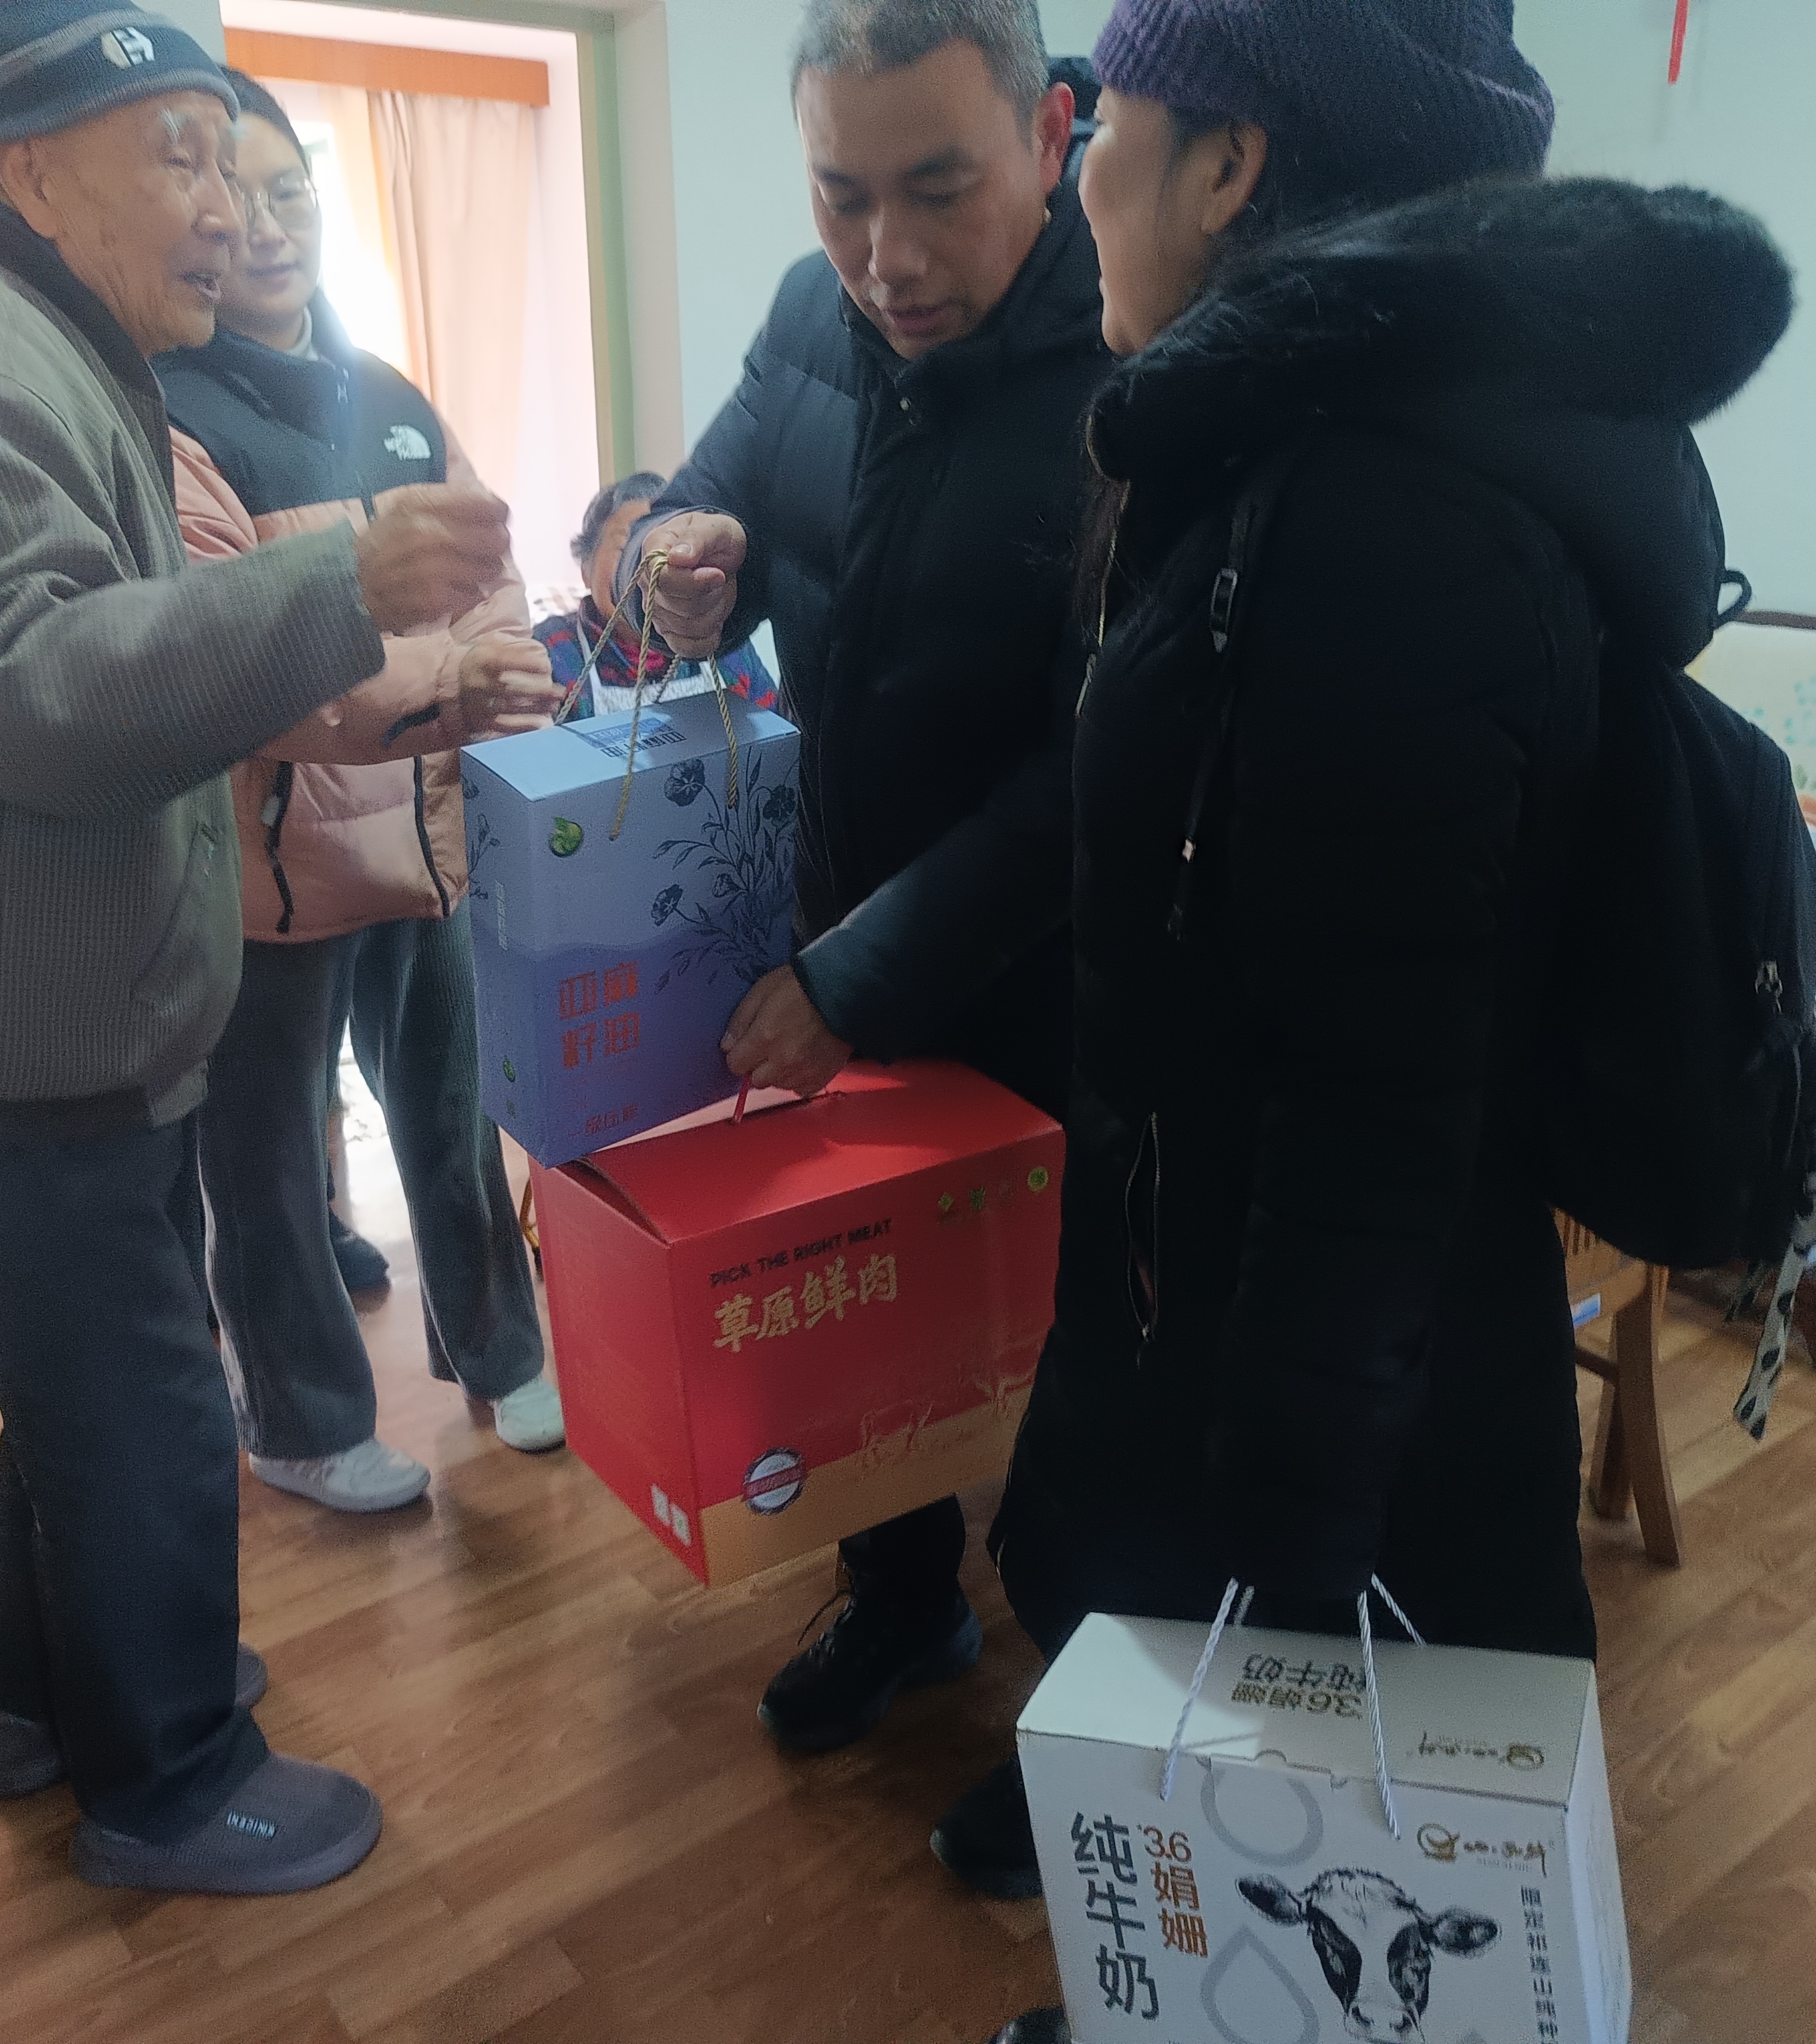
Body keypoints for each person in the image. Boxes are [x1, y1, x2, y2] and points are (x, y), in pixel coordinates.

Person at [974, 3, 1793, 2035]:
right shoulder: (1307, 453)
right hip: (1262, 1330)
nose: (1081, 172)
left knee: (1364, 1903)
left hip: (1346, 1403)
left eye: (1108, 119)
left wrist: (1292, 1548)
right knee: (1270, 1911)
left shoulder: (1372, 518)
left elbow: (1379, 1104)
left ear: (1230, 163)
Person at [0, 0, 558, 1896]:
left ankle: (52, 1705)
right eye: (173, 158)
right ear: (26, 170)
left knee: (76, 1390)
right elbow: (25, 685)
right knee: (144, 1407)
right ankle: (170, 1775)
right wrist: (338, 579)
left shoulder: (30, 334)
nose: (221, 207)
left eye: (237, 162)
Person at [630, 0, 1107, 1896]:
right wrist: (664, 559)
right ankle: (903, 1598)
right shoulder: (807, 314)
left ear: (1050, 138)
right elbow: (701, 507)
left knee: (1078, 1369)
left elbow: (1091, 777)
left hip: (1055, 977)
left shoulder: (1131, 370)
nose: (886, 257)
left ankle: (1083, 1726)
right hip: (849, 933)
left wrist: (854, 978)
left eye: (938, 190)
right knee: (865, 1308)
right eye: (841, 197)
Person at [158, 73, 566, 1514]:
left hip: (426, 844)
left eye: (292, 192)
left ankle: (500, 1350)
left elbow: (489, 566)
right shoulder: (171, 414)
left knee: (453, 1117)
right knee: (266, 1163)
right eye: (237, 197)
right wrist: (453, 685)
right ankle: (302, 1418)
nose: (268, 226)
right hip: (269, 875)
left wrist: (507, 659)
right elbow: (251, 664)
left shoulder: (390, 398)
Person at [533, 474, 777, 721]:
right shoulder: (552, 653)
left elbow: (773, 726)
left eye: (664, 549)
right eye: (626, 550)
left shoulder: (719, 637)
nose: (645, 568)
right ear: (586, 569)